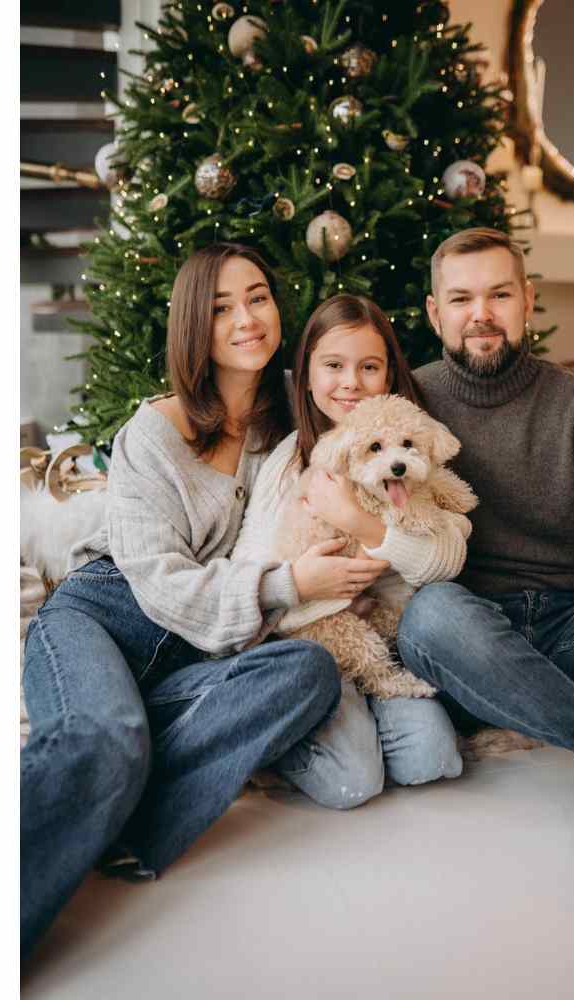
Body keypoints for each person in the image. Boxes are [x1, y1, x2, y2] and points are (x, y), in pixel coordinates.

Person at [20, 244, 391, 961]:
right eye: (222, 308)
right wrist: (290, 586)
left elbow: (377, 409)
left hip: (202, 653)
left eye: (258, 297)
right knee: (103, 739)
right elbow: (160, 586)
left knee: (306, 676)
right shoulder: (150, 435)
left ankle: (131, 822)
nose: (247, 319)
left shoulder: (295, 412)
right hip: (107, 618)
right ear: (195, 324)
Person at [395, 227, 574, 955]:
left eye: (499, 293)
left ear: (528, 301)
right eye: (461, 298)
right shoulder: (407, 403)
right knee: (429, 614)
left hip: (568, 631)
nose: (481, 313)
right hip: (462, 643)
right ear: (436, 314)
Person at [231, 294, 468, 808]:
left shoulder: (409, 446)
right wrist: (314, 587)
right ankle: (288, 740)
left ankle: (367, 715)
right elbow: (249, 569)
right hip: (314, 641)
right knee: (354, 780)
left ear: (388, 374)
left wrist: (358, 523)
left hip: (386, 641)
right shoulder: (286, 461)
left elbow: (447, 555)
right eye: (333, 366)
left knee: (433, 761)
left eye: (369, 367)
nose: (351, 382)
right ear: (307, 375)